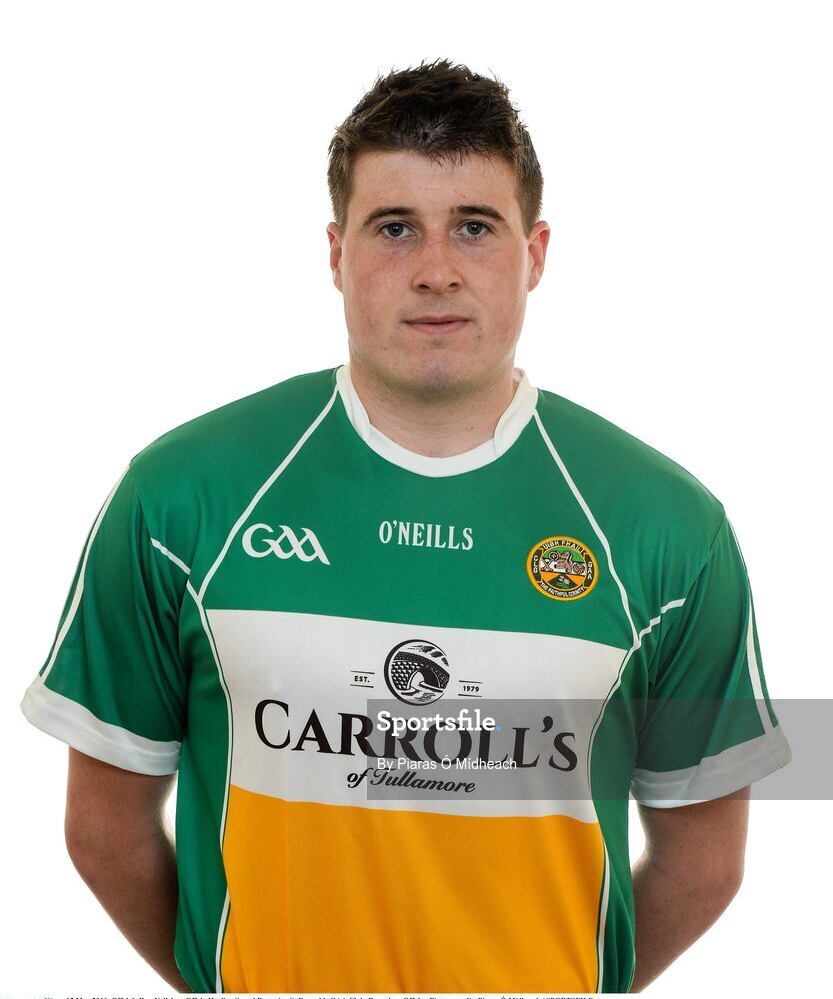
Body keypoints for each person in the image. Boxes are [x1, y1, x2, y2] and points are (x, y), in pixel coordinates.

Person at [20, 57, 791, 994]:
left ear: (534, 254)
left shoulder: (664, 528)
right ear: (336, 252)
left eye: (474, 227)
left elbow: (703, 861)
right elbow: (104, 829)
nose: (434, 270)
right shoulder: (184, 497)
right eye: (394, 229)